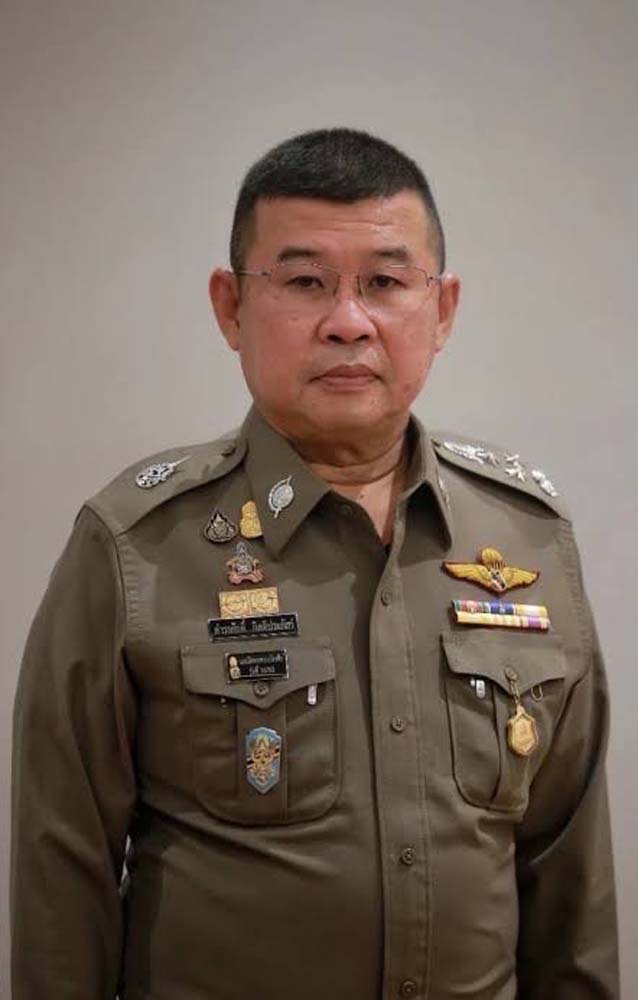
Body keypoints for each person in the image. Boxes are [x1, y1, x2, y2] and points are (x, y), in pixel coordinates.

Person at [11, 128, 619, 999]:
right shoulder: (136, 546)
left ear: (442, 309)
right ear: (230, 306)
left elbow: (569, 873)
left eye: (386, 283)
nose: (348, 320)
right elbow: (62, 872)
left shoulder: (526, 538)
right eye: (304, 283)